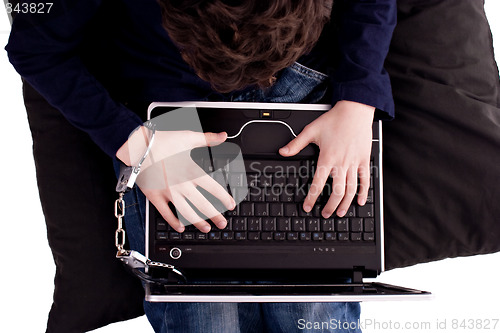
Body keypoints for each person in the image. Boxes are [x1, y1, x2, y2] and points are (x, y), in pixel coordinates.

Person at [6, 0, 396, 332]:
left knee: (311, 310)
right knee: (205, 317)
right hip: (174, 106)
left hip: (303, 88)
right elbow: (35, 48)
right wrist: (137, 143)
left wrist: (357, 99)